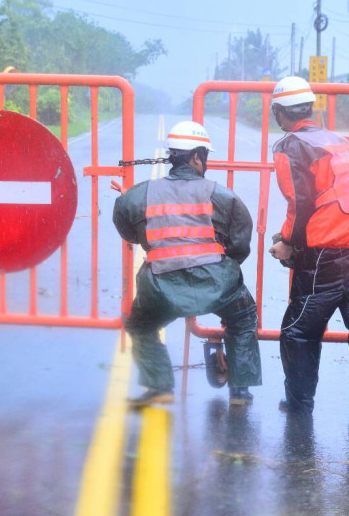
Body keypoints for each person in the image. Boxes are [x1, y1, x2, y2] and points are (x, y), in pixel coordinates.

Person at [112, 121, 262, 407]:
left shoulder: (140, 194)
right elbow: (240, 244)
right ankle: (240, 391)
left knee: (140, 324)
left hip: (160, 289)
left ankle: (159, 386)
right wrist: (222, 270)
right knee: (242, 319)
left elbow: (127, 229)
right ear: (196, 157)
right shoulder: (222, 195)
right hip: (217, 286)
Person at [267, 76, 349, 417]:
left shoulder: (291, 145)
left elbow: (300, 202)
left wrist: (288, 244)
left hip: (327, 253)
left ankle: (299, 404)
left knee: (300, 331)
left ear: (279, 113)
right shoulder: (339, 141)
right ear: (310, 108)